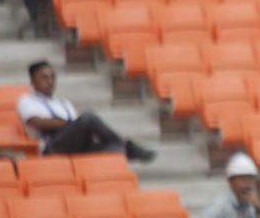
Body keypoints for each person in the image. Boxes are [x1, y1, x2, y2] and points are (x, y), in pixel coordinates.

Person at [16, 60, 156, 161]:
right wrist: (68, 124)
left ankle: (123, 147)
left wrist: (68, 124)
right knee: (88, 117)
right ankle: (127, 145)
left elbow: (76, 127)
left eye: (53, 77)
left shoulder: (64, 103)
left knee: (115, 150)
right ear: (33, 81)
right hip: (52, 147)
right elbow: (37, 122)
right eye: (44, 77)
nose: (50, 81)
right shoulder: (27, 100)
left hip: (77, 145)